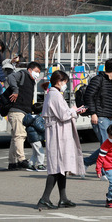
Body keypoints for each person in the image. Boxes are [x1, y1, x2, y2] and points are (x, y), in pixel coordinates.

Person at [37, 70, 85, 210]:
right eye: (65, 82)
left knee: (61, 167)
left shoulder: (53, 93)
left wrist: (73, 111)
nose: (66, 85)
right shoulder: (54, 94)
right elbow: (63, 115)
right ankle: (44, 199)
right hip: (58, 133)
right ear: (59, 81)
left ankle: (63, 198)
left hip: (58, 132)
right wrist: (74, 110)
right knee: (57, 166)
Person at [83, 58, 112, 174]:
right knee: (107, 145)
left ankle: (86, 162)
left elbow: (107, 101)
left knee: (108, 144)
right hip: (99, 117)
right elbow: (89, 96)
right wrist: (93, 113)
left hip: (108, 116)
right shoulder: (98, 80)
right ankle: (104, 170)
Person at [7, 61, 42, 171]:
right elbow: (10, 77)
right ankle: (21, 159)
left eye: (39, 72)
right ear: (30, 70)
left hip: (22, 110)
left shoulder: (31, 81)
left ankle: (13, 162)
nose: (37, 74)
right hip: (17, 110)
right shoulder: (22, 74)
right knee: (20, 135)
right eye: (36, 71)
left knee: (15, 137)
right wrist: (15, 89)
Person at [23, 102, 46, 172]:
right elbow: (40, 127)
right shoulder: (37, 118)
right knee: (40, 152)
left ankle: (31, 165)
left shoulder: (30, 117)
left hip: (31, 138)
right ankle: (40, 165)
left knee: (35, 153)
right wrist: (45, 126)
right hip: (36, 138)